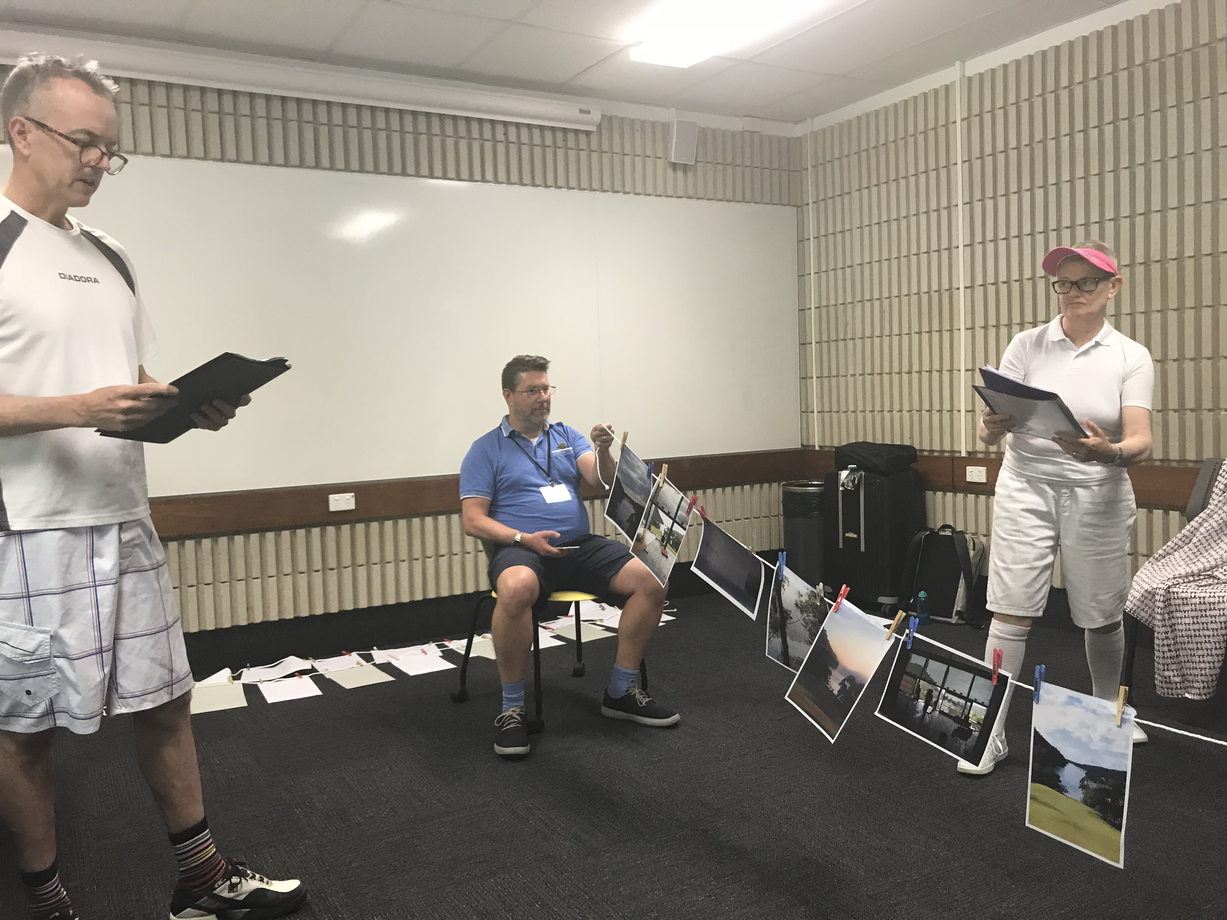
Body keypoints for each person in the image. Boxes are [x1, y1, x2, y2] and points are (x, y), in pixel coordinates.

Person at [0, 54, 306, 919]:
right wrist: (77, 407)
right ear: (21, 132)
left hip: (124, 518)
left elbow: (128, 382)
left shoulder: (111, 256)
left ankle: (200, 883)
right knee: (24, 732)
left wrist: (182, 407)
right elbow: (81, 398)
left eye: (111, 149)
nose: (100, 162)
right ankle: (48, 903)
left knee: (166, 703)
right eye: (83, 142)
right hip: (25, 530)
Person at [960, 241, 1154, 777]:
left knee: (1101, 612)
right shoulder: (1027, 344)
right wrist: (989, 425)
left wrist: (1108, 451)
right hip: (1026, 485)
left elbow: (1141, 440)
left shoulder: (1130, 356)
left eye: (1086, 282)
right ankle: (989, 729)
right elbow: (989, 427)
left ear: (1113, 287)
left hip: (1098, 489)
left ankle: (1109, 711)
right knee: (1010, 606)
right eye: (1064, 283)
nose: (1073, 292)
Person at [460, 355, 679, 758]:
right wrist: (524, 538)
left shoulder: (566, 435)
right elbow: (473, 519)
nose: (543, 397)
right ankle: (512, 709)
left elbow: (601, 479)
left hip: (578, 546)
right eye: (532, 390)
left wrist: (603, 450)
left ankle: (620, 692)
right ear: (508, 396)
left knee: (653, 577)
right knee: (516, 589)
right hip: (521, 549)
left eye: (547, 389)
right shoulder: (485, 450)